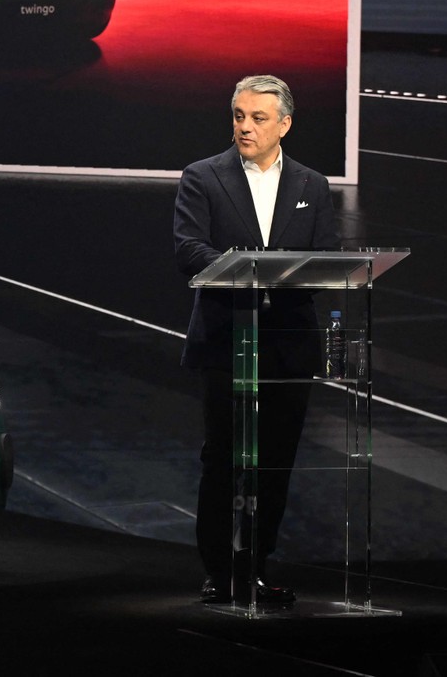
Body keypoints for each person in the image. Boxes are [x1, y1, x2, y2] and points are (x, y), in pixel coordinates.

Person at [173, 74, 340, 606]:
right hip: (228, 340)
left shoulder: (312, 186)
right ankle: (218, 572)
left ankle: (255, 568)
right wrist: (244, 273)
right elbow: (188, 249)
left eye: (258, 118)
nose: (245, 126)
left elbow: (326, 259)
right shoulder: (202, 177)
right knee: (224, 458)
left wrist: (286, 276)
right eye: (239, 116)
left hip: (288, 345)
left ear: (284, 124)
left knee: (274, 462)